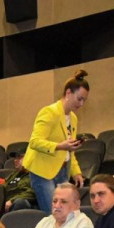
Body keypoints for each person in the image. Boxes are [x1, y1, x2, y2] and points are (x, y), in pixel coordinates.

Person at [23, 69, 89, 213]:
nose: (81, 104)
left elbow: (70, 150)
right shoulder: (49, 112)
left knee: (67, 213)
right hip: (42, 172)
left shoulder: (73, 118)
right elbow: (35, 141)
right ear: (68, 93)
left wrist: (76, 172)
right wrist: (59, 146)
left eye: (84, 100)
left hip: (62, 171)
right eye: (79, 99)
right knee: (55, 213)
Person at [24, 183, 93, 228]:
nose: (57, 206)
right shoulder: (45, 221)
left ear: (77, 204)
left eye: (63, 202)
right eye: (55, 201)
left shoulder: (83, 223)